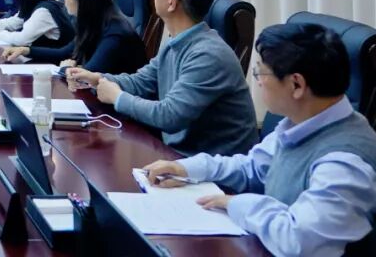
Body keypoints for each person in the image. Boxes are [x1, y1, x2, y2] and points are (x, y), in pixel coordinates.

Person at [143, 23, 376, 257]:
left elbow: (297, 241)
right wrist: (186, 168)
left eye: (261, 73)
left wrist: (236, 203)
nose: (259, 81)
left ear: (296, 84)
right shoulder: (302, 122)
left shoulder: (344, 163)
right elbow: (253, 167)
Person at [68, 0, 257, 156]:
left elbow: (169, 115)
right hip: (180, 155)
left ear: (171, 2)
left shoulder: (208, 55)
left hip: (211, 163)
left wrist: (117, 97)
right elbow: (142, 81)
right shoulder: (176, 41)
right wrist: (97, 79)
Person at [1, 0, 143, 74]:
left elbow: (89, 75)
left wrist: (66, 69)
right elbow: (65, 52)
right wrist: (26, 50)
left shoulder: (115, 33)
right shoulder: (92, 21)